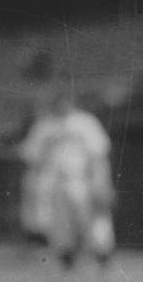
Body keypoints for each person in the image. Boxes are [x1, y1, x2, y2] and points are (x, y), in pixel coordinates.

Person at [18, 96, 115, 268]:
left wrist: (101, 182)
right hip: (54, 182)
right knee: (60, 226)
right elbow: (31, 156)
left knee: (93, 221)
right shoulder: (44, 125)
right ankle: (66, 262)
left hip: (82, 179)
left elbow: (99, 156)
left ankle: (103, 258)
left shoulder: (86, 122)